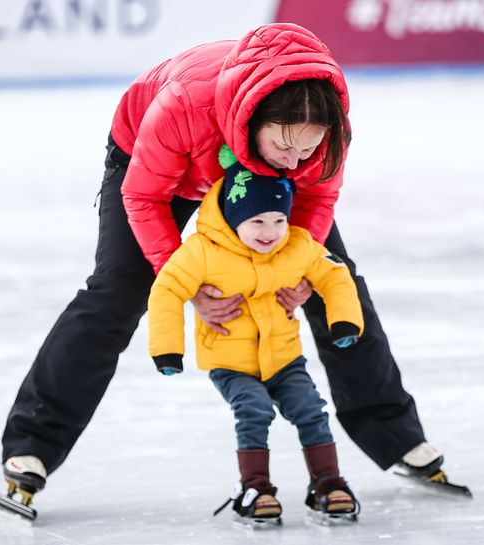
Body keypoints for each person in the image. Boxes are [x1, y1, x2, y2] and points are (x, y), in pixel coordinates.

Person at [0, 22, 464, 520]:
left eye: (306, 151)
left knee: (335, 279)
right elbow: (144, 196)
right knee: (119, 289)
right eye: (284, 147)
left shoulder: (324, 135)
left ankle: (396, 434)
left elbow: (318, 197)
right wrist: (187, 283)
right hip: (162, 169)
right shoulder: (183, 106)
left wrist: (297, 272)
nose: (294, 161)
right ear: (254, 119)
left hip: (249, 175)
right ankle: (33, 445)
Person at [148, 147, 363, 525]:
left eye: (279, 219)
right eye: (258, 221)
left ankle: (328, 482)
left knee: (311, 411)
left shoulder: (296, 243)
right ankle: (255, 487)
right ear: (234, 218)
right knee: (254, 410)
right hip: (231, 364)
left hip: (285, 358)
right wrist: (167, 349)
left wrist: (344, 321)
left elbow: (335, 273)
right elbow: (167, 289)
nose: (271, 232)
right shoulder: (202, 251)